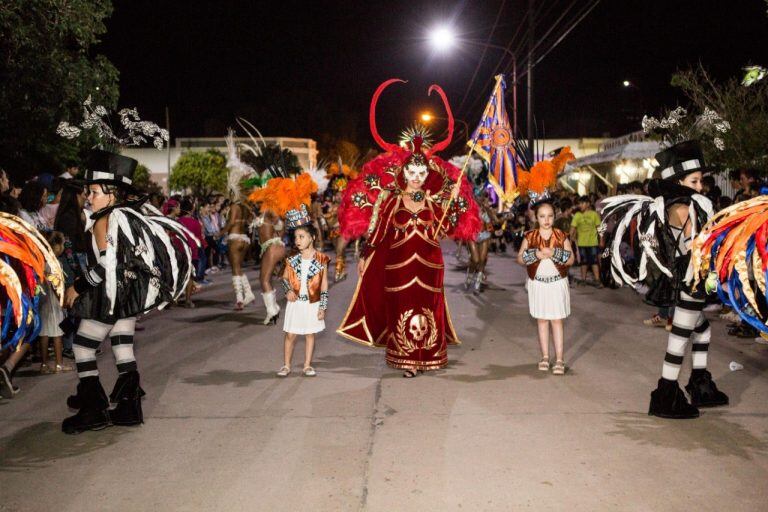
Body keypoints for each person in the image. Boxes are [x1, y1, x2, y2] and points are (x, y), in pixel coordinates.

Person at [337, 79, 481, 377]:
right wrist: (365, 257)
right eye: (411, 172)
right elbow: (376, 233)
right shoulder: (391, 199)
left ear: (427, 173)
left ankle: (427, 356)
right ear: (403, 172)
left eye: (421, 172)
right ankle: (407, 361)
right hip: (398, 266)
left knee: (430, 308)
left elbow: (450, 226)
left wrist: (452, 203)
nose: (416, 176)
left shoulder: (435, 201)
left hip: (430, 265)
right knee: (400, 309)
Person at [61, 149, 194, 434]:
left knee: (84, 346)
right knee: (122, 347)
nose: (89, 197)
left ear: (111, 194)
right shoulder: (125, 217)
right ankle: (129, 408)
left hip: (109, 296)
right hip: (127, 297)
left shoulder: (103, 220)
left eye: (94, 192)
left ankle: (93, 410)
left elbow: (108, 263)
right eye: (88, 192)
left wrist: (78, 286)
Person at [601, 140, 726, 419]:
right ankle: (666, 396)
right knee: (679, 340)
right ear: (679, 181)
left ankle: (699, 386)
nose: (699, 185)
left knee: (701, 331)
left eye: (700, 180)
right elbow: (697, 246)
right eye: (694, 180)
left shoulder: (673, 206)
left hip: (684, 280)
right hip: (690, 282)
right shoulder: (686, 209)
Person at [249, 174, 317, 324]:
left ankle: (272, 310)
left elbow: (280, 224)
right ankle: (272, 308)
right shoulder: (269, 211)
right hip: (276, 246)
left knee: (264, 279)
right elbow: (280, 227)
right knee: (267, 278)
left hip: (272, 247)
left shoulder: (270, 211)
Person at [518, 199, 575, 375]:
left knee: (557, 320)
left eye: (550, 216)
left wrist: (555, 253)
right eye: (542, 216)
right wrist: (534, 254)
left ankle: (559, 359)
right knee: (542, 320)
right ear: (536, 217)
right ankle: (544, 356)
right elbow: (520, 258)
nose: (546, 220)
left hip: (557, 282)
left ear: (554, 217)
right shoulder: (530, 236)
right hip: (538, 284)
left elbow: (572, 259)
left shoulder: (561, 236)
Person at [277, 223, 329, 377]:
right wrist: (288, 290)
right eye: (296, 237)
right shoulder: (292, 259)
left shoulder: (321, 259)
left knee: (309, 334)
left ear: (312, 238)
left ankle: (307, 365)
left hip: (312, 303)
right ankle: (286, 365)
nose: (297, 240)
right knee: (290, 335)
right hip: (296, 303)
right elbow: (284, 278)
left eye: (301, 237)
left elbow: (324, 285)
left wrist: (323, 306)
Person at [38, 231, 74, 374]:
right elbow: (55, 284)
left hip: (43, 301)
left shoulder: (42, 261)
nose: (64, 247)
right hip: (53, 302)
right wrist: (62, 300)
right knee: (57, 334)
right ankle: (59, 364)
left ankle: (44, 364)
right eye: (63, 244)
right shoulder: (55, 263)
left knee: (44, 334)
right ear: (57, 246)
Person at [571, 196, 602, 287]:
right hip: (581, 243)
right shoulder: (577, 215)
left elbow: (599, 228)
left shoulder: (594, 214)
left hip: (593, 242)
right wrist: (570, 240)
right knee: (583, 262)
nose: (580, 205)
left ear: (588, 204)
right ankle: (583, 280)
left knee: (594, 261)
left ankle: (597, 280)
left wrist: (601, 240)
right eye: (579, 203)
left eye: (582, 203)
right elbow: (572, 228)